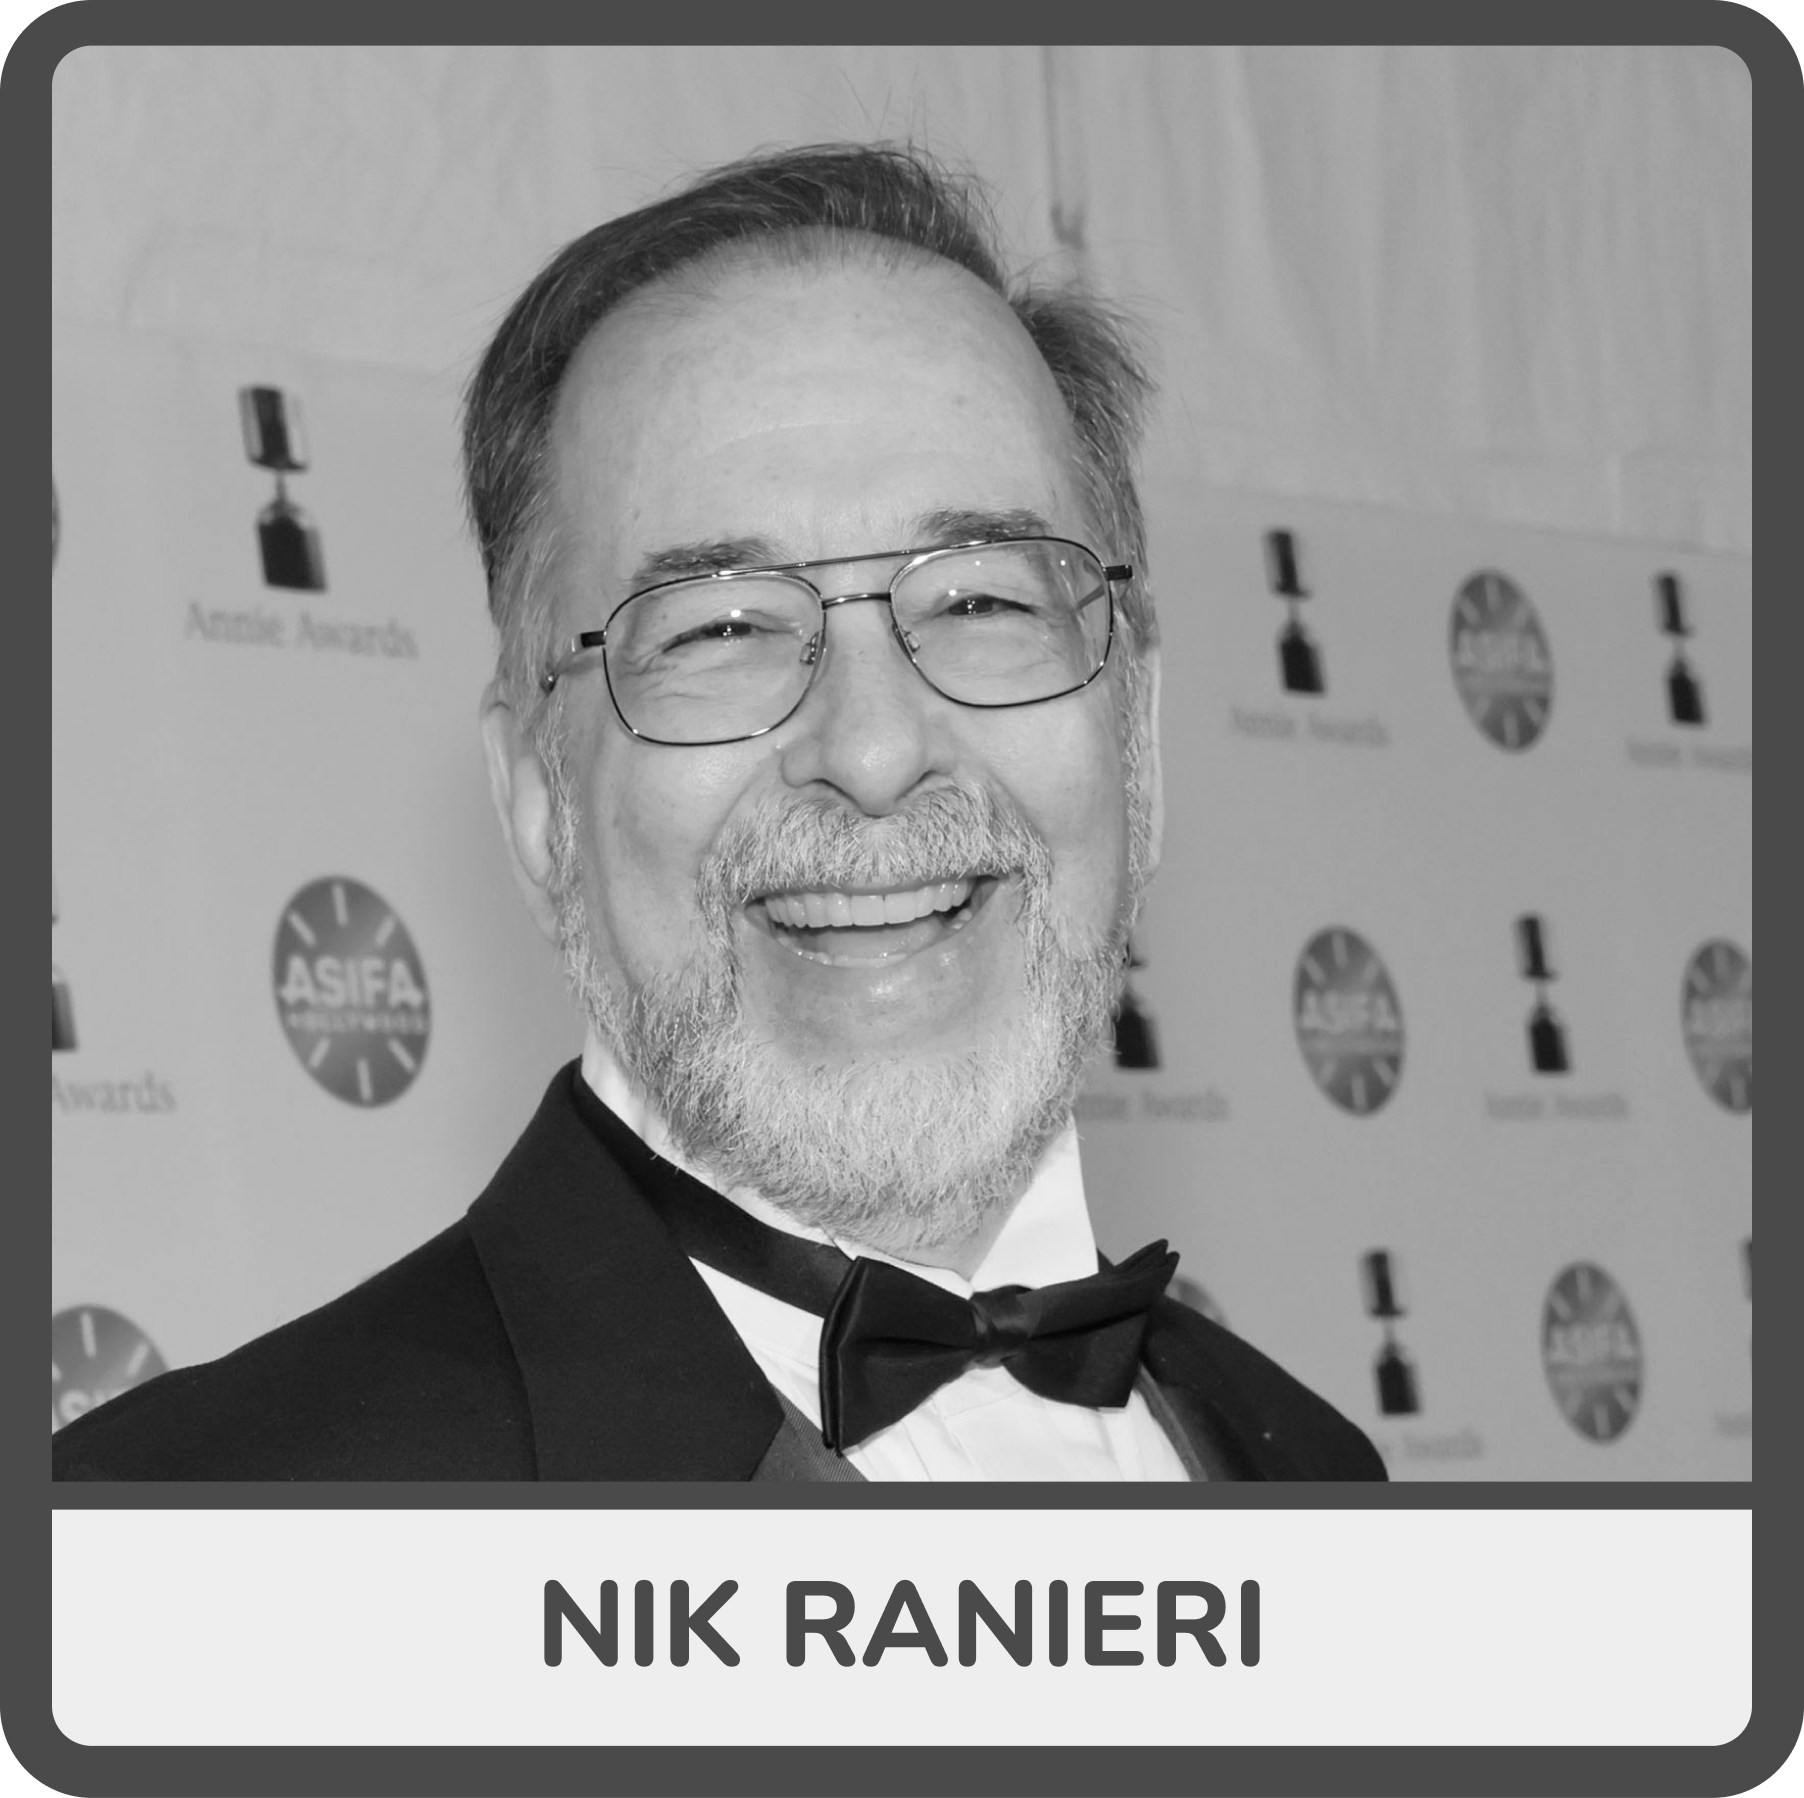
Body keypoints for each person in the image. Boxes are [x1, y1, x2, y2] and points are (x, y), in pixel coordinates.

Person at [54, 143, 1384, 1482]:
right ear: (539, 800)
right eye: (722, 629)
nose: (873, 748)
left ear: (1135, 739)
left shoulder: (1317, 1471)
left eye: (981, 600)